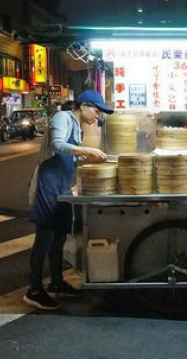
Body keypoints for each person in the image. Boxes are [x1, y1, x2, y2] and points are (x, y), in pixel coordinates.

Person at [23, 89, 114, 310]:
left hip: (63, 185)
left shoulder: (77, 126)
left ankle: (56, 282)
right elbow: (58, 145)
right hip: (48, 183)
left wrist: (89, 157)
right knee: (44, 237)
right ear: (82, 106)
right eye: (96, 110)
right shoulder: (62, 117)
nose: (97, 116)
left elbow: (71, 156)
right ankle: (33, 290)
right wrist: (87, 150)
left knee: (60, 236)